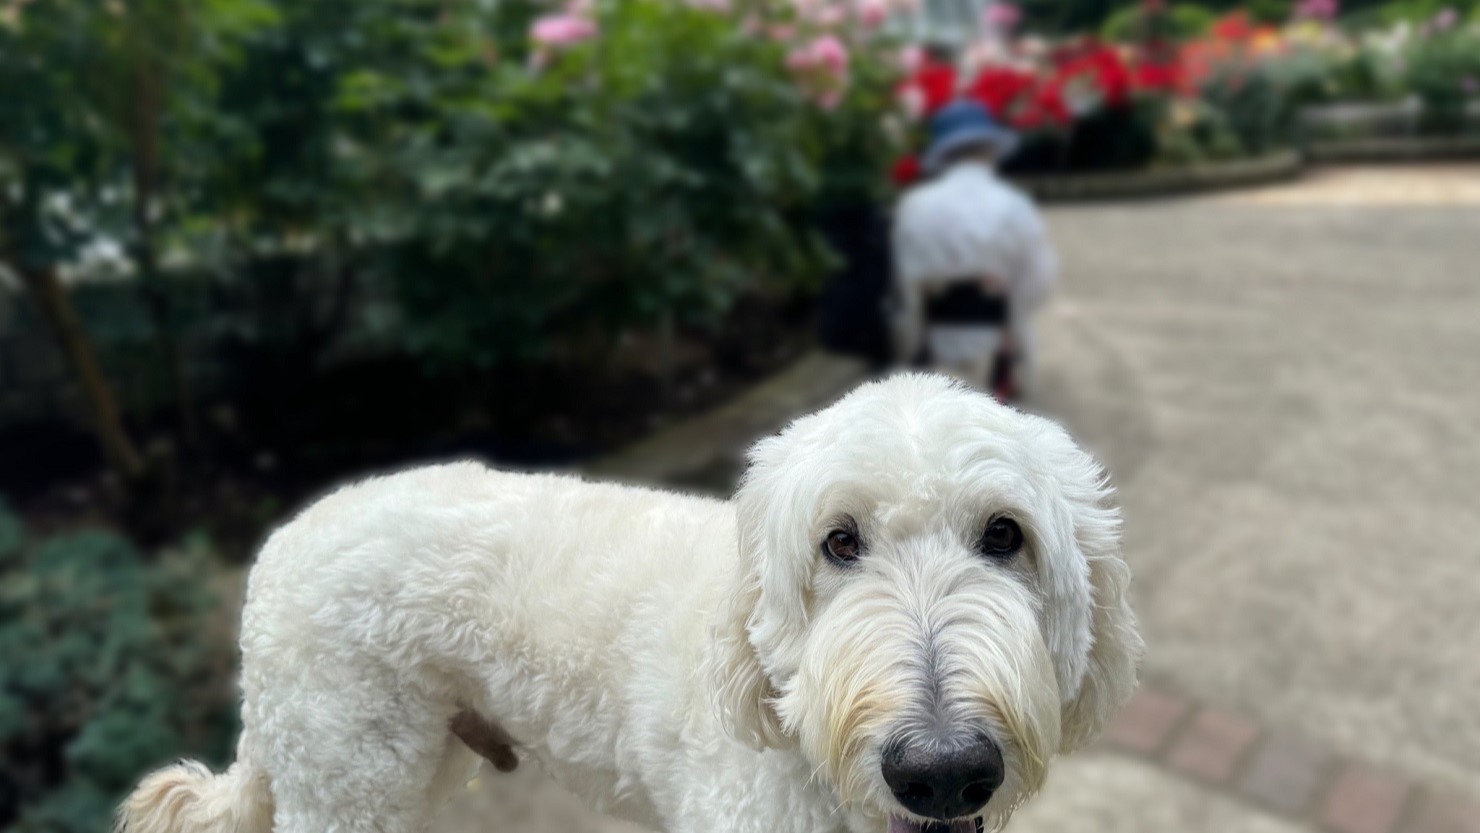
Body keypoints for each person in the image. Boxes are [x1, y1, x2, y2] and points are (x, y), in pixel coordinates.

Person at [890, 100, 1057, 401]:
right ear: (990, 149)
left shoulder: (914, 206)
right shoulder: (1015, 205)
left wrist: (912, 337)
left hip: (934, 348)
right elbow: (1039, 281)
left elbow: (908, 287)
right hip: (998, 347)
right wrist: (1012, 315)